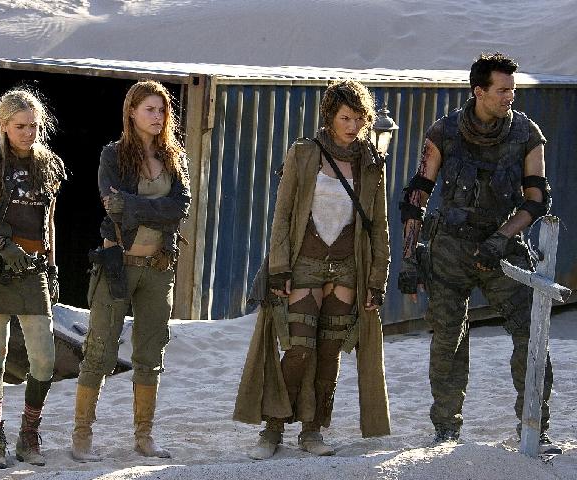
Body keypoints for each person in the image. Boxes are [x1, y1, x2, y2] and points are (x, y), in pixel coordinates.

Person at [398, 52, 559, 452]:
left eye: (512, 90)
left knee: (531, 333)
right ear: (479, 91)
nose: (510, 97)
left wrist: (502, 237)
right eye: (502, 90)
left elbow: (537, 199)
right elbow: (417, 196)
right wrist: (410, 258)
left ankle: (534, 429)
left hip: (503, 249)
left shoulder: (527, 134)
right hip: (449, 250)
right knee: (448, 338)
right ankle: (446, 432)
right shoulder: (444, 132)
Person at [234, 80, 391, 459]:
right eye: (345, 118)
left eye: (359, 118)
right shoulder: (304, 153)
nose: (353, 126)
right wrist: (278, 267)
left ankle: (313, 429)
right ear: (330, 116)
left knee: (330, 352)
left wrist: (377, 280)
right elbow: (283, 214)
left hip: (348, 268)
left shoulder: (371, 161)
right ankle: (273, 429)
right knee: (299, 349)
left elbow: (380, 226)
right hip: (304, 264)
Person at [70, 80, 190, 462]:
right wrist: (156, 209)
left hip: (159, 266)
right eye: (149, 109)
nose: (158, 116)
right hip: (118, 264)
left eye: (162, 110)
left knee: (150, 353)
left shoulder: (174, 156)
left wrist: (138, 205)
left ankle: (144, 436)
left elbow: (181, 207)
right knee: (99, 350)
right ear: (132, 113)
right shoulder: (114, 155)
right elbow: (114, 207)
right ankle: (82, 436)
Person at [0, 88, 65, 469]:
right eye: (20, 126)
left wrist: (52, 265)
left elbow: (48, 221)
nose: (28, 133)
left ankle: (28, 434)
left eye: (34, 126)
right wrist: (1, 245)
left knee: (44, 359)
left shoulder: (49, 164)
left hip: (32, 269)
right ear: (2, 125)